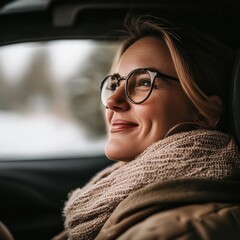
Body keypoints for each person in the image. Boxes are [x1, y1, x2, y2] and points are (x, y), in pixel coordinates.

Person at [53, 15, 240, 240]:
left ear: (202, 112)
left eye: (143, 82)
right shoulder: (116, 200)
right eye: (114, 84)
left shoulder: (177, 230)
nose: (113, 100)